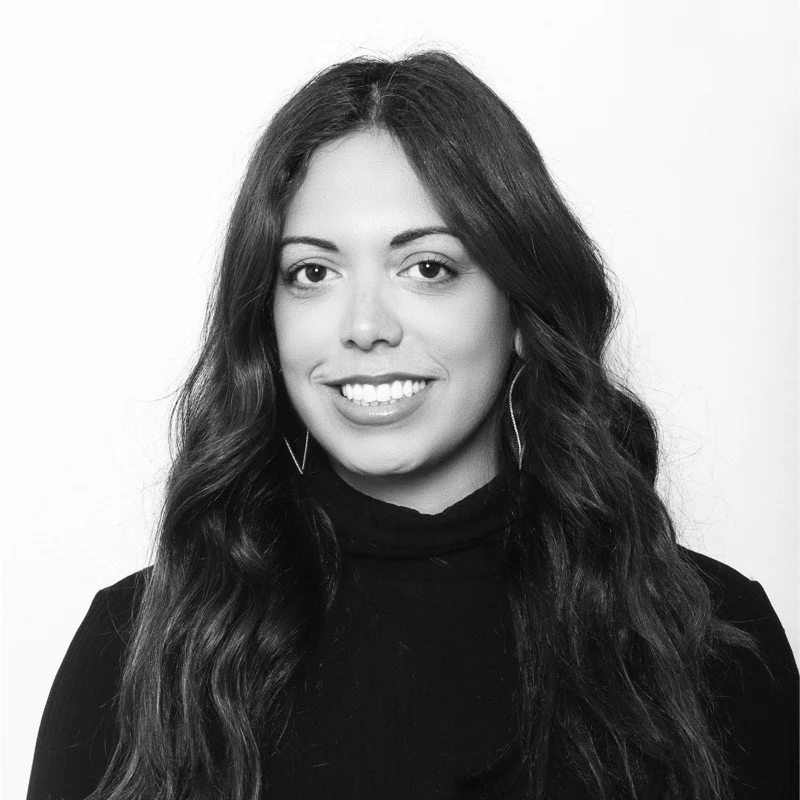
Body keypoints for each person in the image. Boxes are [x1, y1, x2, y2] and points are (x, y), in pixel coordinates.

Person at [26, 51, 798, 800]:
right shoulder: (134, 651)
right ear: (268, 323)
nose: (364, 326)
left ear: (521, 309)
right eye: (312, 273)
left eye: (428, 267)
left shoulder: (717, 641)